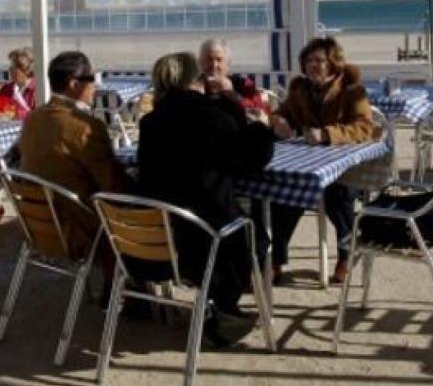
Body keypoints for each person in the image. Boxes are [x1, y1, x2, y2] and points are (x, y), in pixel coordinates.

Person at [137, 51, 274, 345]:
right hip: (203, 238)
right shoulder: (210, 116)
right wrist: (261, 125)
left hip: (160, 238)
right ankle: (224, 309)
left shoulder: (149, 123)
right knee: (256, 236)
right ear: (194, 81)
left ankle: (221, 306)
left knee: (235, 223)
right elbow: (251, 160)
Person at [268, 37, 377, 284]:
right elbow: (280, 114)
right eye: (308, 61)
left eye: (319, 60)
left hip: (346, 167)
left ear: (333, 64)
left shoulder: (352, 90)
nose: (312, 66)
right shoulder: (300, 90)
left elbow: (364, 128)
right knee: (283, 194)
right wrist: (280, 122)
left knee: (338, 194)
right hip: (308, 166)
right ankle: (275, 260)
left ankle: (346, 256)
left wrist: (327, 134)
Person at [17, 51, 127, 265]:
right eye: (92, 79)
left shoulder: (32, 119)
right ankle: (126, 291)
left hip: (40, 224)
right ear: (74, 84)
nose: (96, 85)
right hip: (80, 230)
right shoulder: (86, 127)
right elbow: (113, 186)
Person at [198, 38, 268, 114]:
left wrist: (233, 95)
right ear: (200, 63)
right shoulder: (193, 85)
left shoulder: (244, 84)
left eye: (219, 60)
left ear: (227, 64)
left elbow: (261, 113)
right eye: (209, 59)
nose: (214, 65)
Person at [0, 48, 36, 119]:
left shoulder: (37, 90)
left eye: (15, 67)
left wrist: (17, 114)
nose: (10, 69)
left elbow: (39, 117)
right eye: (11, 66)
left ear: (26, 69)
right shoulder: (6, 88)